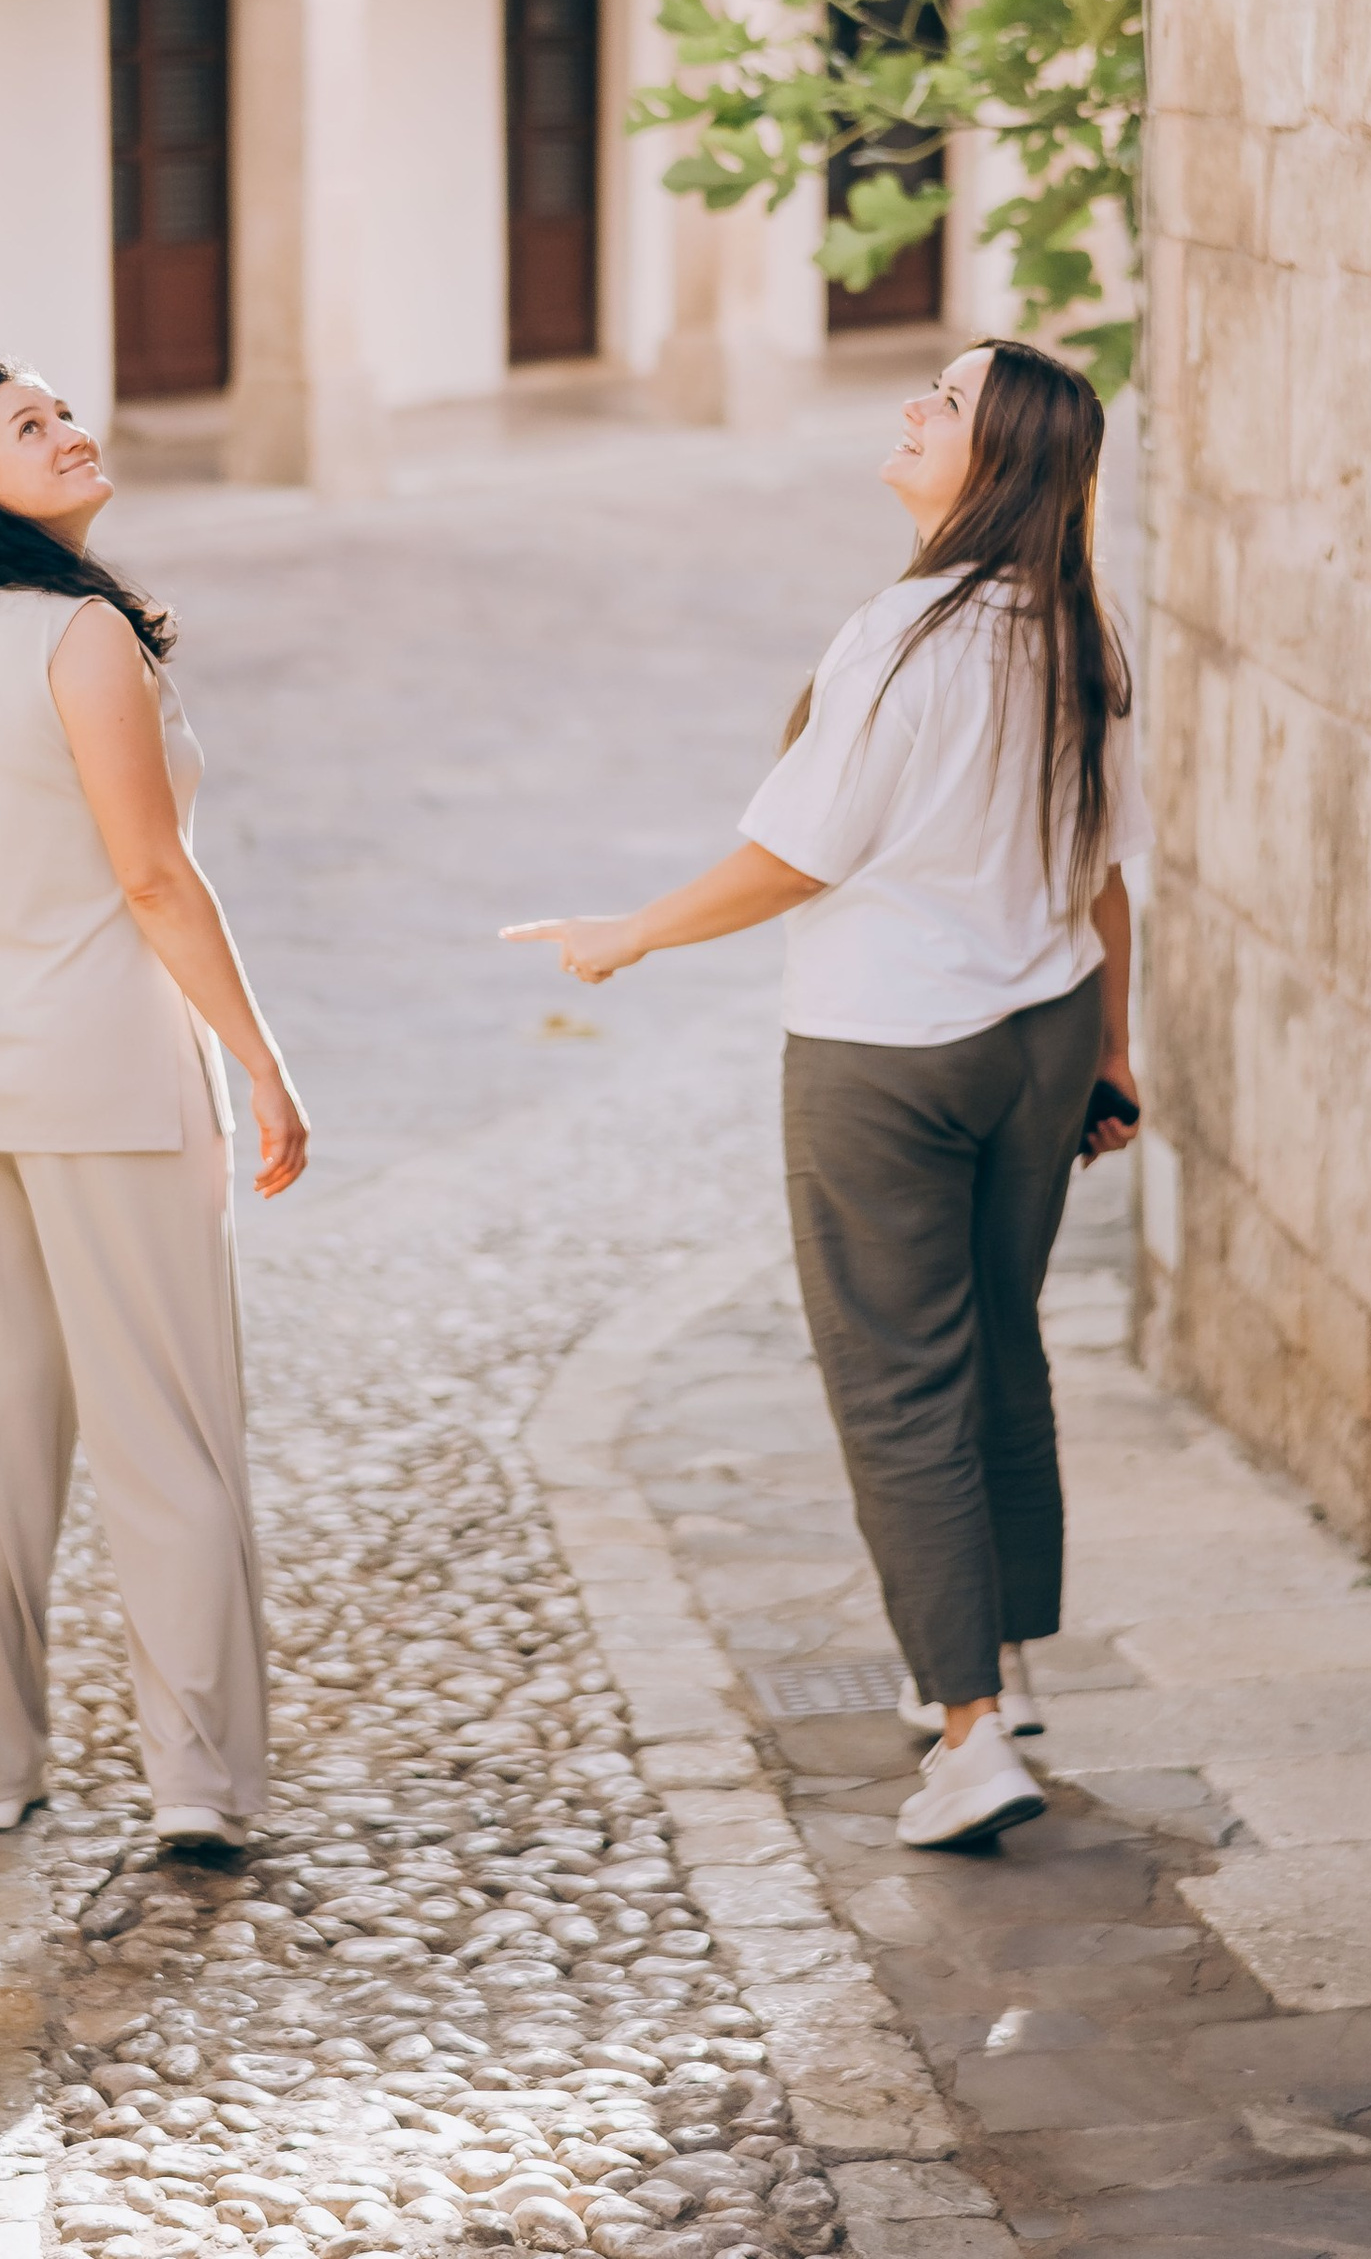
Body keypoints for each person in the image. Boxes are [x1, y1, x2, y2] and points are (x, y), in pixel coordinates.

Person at [505, 337, 1145, 1851]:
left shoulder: (902, 635)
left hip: (891, 1056)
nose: (912, 410)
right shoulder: (1084, 633)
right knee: (999, 1347)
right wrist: (1115, 1052)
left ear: (990, 459)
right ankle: (1008, 1667)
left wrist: (630, 932)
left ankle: (972, 1735)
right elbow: (1105, 872)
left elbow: (799, 854)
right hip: (1044, 1036)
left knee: (900, 1383)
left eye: (944, 400)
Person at [0, 355, 308, 1848]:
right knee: (169, 1437)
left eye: (67, 410)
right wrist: (262, 1063)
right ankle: (197, 1788)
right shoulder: (82, 637)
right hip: (110, 1081)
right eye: (33, 426)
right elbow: (154, 880)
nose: (73, 430)